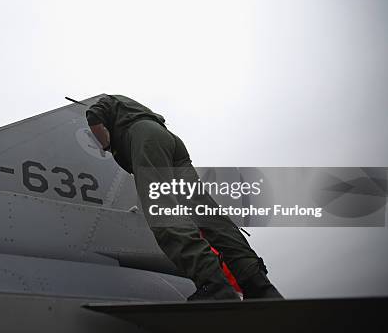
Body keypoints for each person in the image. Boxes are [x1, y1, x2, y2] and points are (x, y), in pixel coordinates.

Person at [86, 94, 283, 300]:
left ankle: (214, 284)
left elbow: (93, 115)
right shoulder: (131, 106)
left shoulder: (109, 105)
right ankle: (258, 284)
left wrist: (106, 144)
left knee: (162, 211)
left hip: (146, 140)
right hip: (170, 141)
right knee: (206, 214)